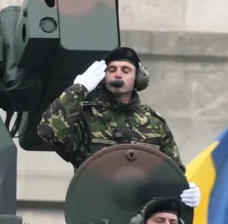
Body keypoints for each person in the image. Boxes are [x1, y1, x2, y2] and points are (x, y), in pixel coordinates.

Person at [37, 46, 201, 210]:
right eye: (112, 69)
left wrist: (186, 191)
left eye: (126, 70)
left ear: (138, 78)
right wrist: (78, 90)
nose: (117, 74)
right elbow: (49, 130)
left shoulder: (154, 123)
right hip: (95, 213)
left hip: (142, 216)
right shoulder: (84, 116)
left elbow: (172, 172)